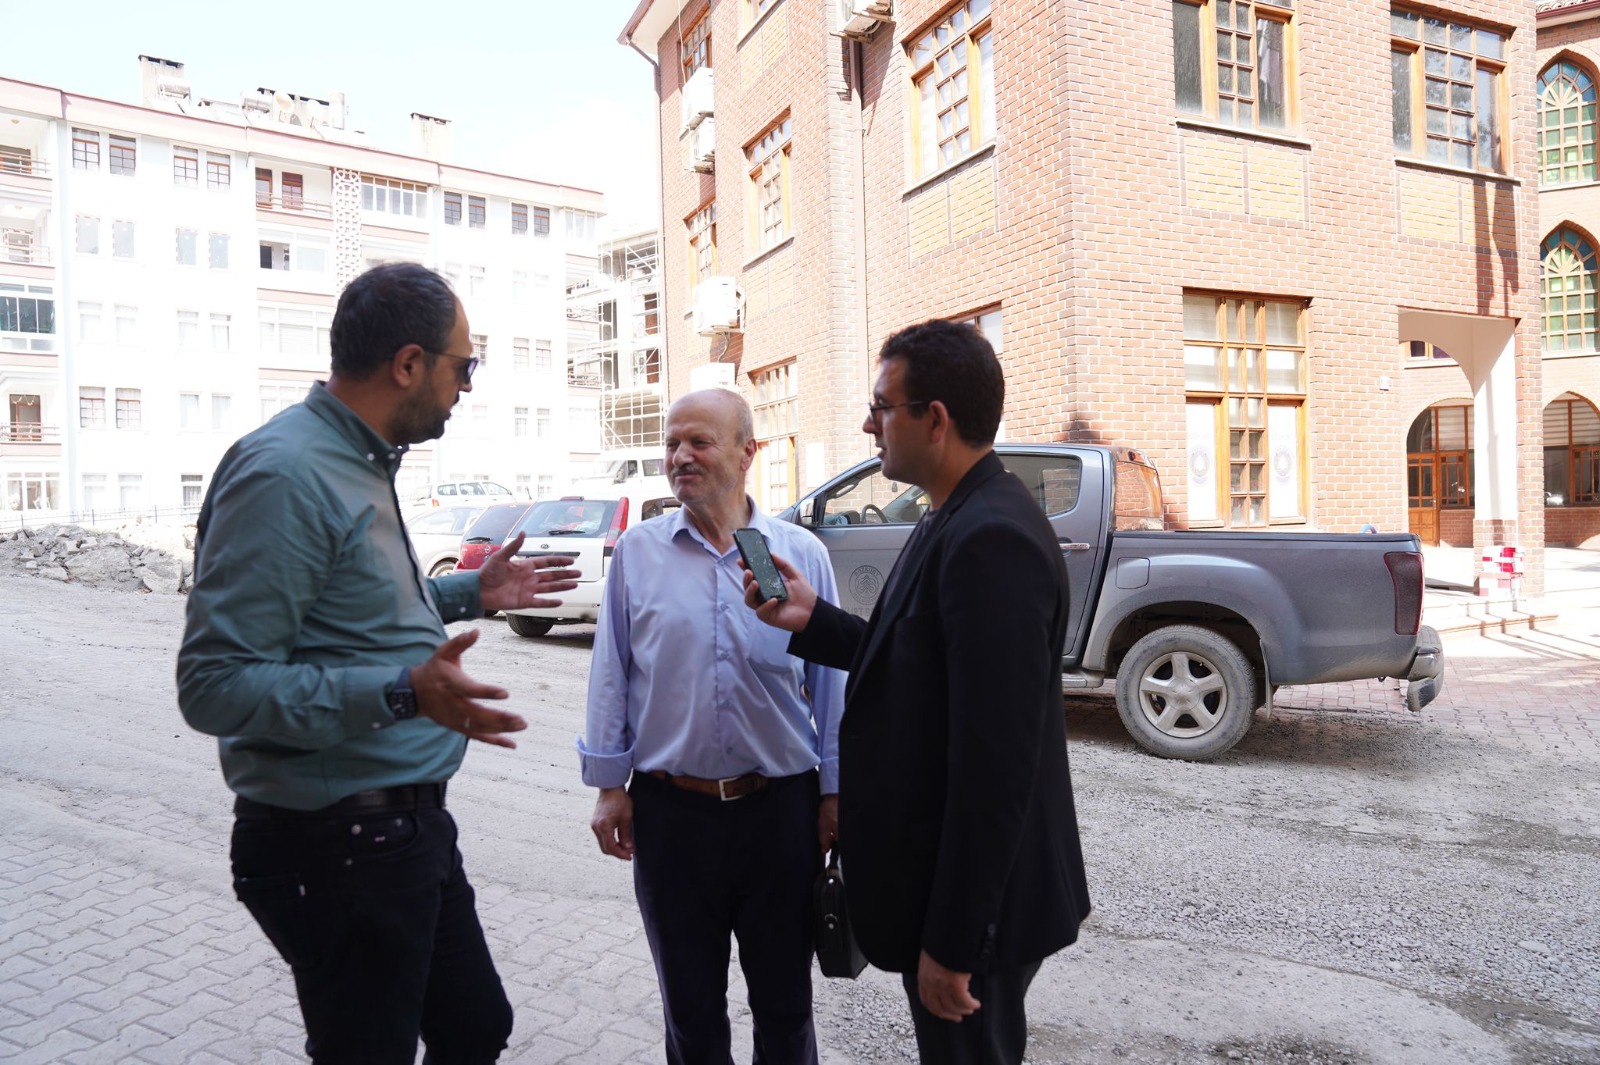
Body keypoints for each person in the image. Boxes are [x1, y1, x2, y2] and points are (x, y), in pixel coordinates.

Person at [176, 263, 579, 1064]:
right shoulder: (286, 473)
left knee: (475, 1026)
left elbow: (349, 613)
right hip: (336, 844)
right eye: (464, 365)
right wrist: (403, 692)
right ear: (408, 364)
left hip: (399, 832)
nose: (467, 386)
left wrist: (471, 592)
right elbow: (213, 685)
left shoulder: (358, 460)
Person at [745, 319, 1092, 1065]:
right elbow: (918, 662)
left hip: (979, 917)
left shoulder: (991, 538)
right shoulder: (955, 511)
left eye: (881, 407)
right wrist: (814, 619)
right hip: (955, 900)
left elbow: (996, 766)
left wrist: (956, 942)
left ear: (935, 420)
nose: (868, 424)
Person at [582, 389, 846, 1065]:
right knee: (692, 1014)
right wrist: (610, 785)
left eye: (699, 441)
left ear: (747, 451)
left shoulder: (798, 554)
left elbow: (832, 689)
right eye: (672, 443)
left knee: (786, 1010)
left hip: (779, 814)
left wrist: (835, 794)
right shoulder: (638, 552)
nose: (680, 456)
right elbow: (611, 672)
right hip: (672, 816)